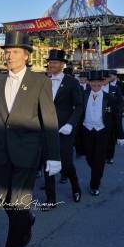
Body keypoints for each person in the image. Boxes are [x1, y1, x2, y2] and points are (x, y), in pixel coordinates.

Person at [0, 31, 61, 247]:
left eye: (14, 52)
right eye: (7, 52)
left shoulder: (40, 81)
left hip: (27, 153)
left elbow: (49, 119)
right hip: (1, 152)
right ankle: (26, 221)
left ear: (26, 56)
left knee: (19, 201)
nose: (9, 56)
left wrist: (54, 155)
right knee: (4, 200)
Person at [43, 49, 83, 205]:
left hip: (64, 130)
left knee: (66, 163)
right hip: (46, 129)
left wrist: (70, 124)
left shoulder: (72, 82)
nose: (51, 65)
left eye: (54, 63)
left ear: (61, 64)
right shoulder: (43, 81)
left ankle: (76, 187)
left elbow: (79, 106)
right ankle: (50, 199)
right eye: (50, 62)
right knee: (47, 163)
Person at [81, 70, 124, 196]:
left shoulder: (110, 98)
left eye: (98, 82)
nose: (96, 84)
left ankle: (94, 184)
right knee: (90, 157)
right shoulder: (83, 94)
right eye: (93, 82)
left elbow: (117, 117)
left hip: (102, 132)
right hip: (87, 131)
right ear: (89, 82)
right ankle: (96, 171)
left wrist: (121, 135)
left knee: (99, 159)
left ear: (102, 82)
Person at [103, 70, 124, 164]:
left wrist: (119, 112)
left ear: (109, 79)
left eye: (106, 78)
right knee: (101, 138)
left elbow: (120, 102)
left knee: (111, 138)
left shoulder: (115, 88)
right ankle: (102, 155)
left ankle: (110, 156)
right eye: (102, 78)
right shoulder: (95, 88)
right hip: (98, 118)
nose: (104, 80)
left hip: (111, 117)